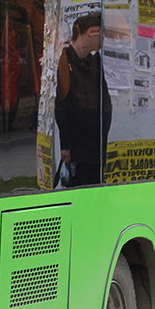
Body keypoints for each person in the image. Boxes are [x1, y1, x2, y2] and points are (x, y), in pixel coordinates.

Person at [55, 11, 111, 187]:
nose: (103, 41)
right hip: (78, 148)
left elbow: (103, 99)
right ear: (92, 32)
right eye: (101, 34)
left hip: (96, 145)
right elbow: (61, 104)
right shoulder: (66, 60)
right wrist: (66, 144)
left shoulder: (94, 60)